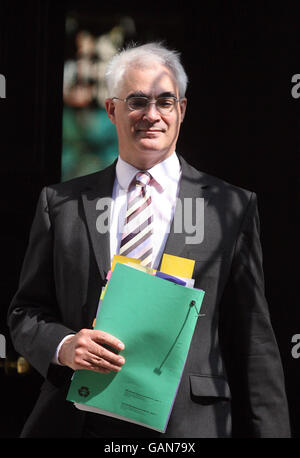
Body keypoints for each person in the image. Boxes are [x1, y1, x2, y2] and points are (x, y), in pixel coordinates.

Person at [8, 42, 290, 438]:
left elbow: (254, 340)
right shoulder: (62, 204)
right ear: (111, 110)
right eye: (137, 101)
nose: (152, 115)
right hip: (79, 419)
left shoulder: (230, 207)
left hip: (188, 425)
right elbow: (25, 313)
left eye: (165, 101)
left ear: (182, 110)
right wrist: (66, 345)